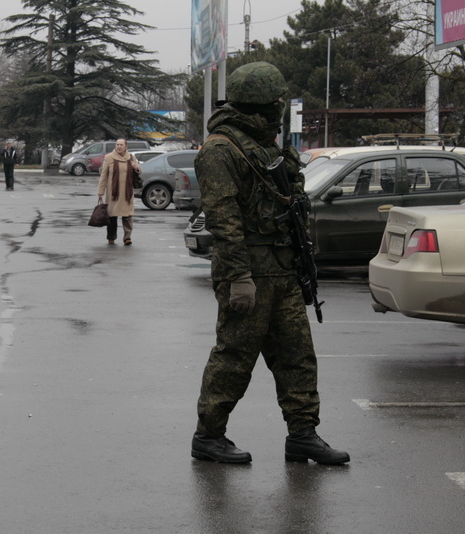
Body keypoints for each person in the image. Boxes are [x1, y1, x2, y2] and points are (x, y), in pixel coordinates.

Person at [191, 61, 349, 465]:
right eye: (278, 100)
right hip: (248, 272)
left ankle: (303, 434)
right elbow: (223, 220)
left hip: (282, 269)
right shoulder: (221, 150)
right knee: (234, 357)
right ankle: (209, 436)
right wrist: (239, 277)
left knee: (297, 355)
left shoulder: (267, 146)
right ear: (264, 102)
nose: (281, 106)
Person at [97, 138, 140, 245]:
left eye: (121, 145)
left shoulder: (131, 157)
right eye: (117, 144)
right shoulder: (109, 157)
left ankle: (127, 238)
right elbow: (104, 176)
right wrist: (101, 191)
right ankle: (111, 237)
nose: (119, 146)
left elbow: (139, 170)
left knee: (127, 216)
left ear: (126, 146)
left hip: (127, 192)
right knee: (112, 216)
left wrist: (135, 166)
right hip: (113, 193)